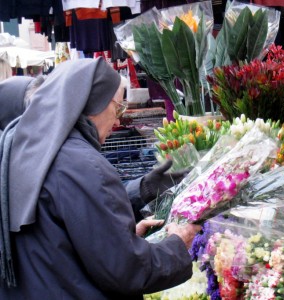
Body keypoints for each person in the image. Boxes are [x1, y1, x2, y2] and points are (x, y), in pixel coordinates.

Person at [0, 58, 201, 298]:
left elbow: (58, 233)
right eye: (118, 108)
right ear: (94, 104)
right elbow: (127, 270)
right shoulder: (82, 163)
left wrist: (142, 192)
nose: (118, 121)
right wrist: (177, 244)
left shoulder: (24, 148)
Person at [0, 74, 184, 222]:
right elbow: (109, 253)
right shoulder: (53, 166)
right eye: (39, 108)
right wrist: (175, 245)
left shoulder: (38, 163)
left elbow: (92, 211)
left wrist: (144, 188)